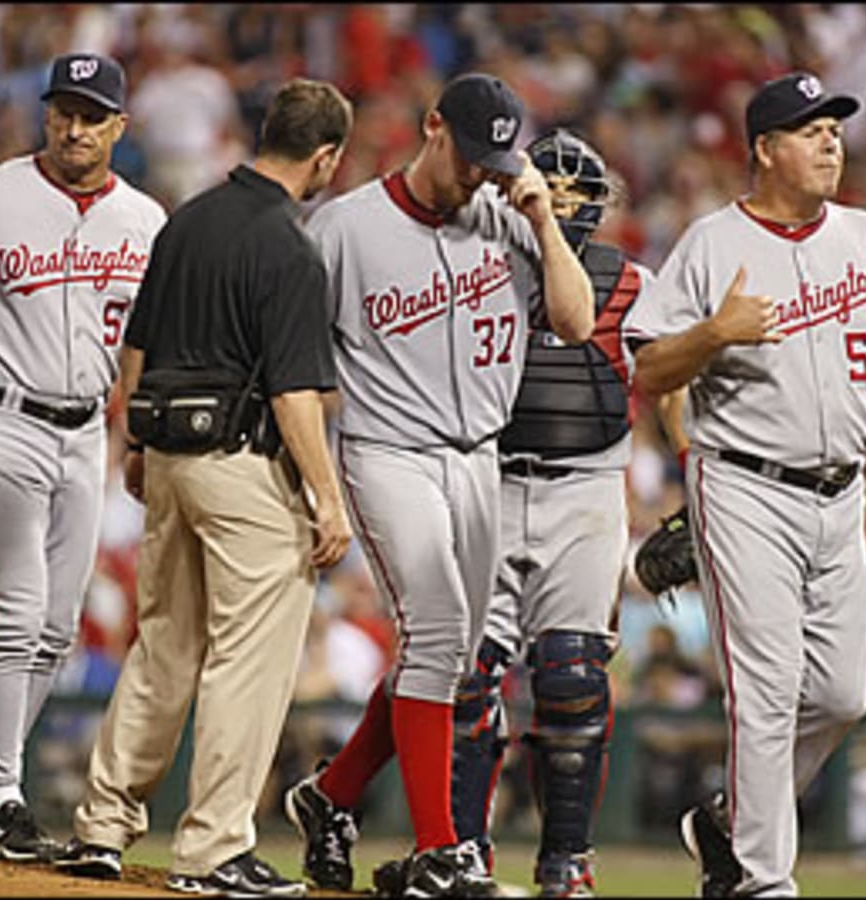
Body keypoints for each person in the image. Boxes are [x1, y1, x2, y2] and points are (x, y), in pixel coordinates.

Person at [622, 71, 866, 897]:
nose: (830, 141)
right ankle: (762, 880)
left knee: (844, 695)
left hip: (844, 494)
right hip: (743, 484)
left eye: (835, 128)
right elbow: (650, 363)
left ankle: (730, 821)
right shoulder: (711, 243)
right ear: (764, 150)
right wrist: (714, 333)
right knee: (765, 689)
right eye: (810, 130)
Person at [283, 74, 595, 898]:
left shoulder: (507, 216)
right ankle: (439, 849)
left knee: (453, 652)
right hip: (389, 448)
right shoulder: (344, 228)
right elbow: (299, 365)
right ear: (431, 128)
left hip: (478, 457)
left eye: (497, 157)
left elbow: (575, 321)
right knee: (439, 629)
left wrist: (542, 222)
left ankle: (333, 795)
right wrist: (316, 483)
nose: (480, 173)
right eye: (470, 153)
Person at [54, 78, 354, 898]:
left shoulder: (186, 219)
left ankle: (101, 827)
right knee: (245, 663)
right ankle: (215, 848)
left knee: (163, 648)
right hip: (243, 465)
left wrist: (139, 446)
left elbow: (138, 349)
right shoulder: (289, 246)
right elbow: (294, 394)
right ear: (324, 156)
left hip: (169, 463)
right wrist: (326, 499)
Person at [0, 52, 166, 861]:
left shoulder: (144, 219)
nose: (74, 127)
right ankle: (1, 790)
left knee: (58, 627)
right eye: (62, 110)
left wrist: (131, 427)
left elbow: (144, 337)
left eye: (92, 114)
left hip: (84, 432)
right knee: (21, 610)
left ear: (118, 126)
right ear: (47, 113)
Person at [443, 129, 651, 898]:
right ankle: (461, 853)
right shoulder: (475, 264)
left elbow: (663, 377)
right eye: (549, 188)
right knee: (467, 682)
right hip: (489, 474)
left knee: (572, 676)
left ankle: (568, 860)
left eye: (576, 192)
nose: (562, 202)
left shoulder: (634, 280)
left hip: (587, 484)